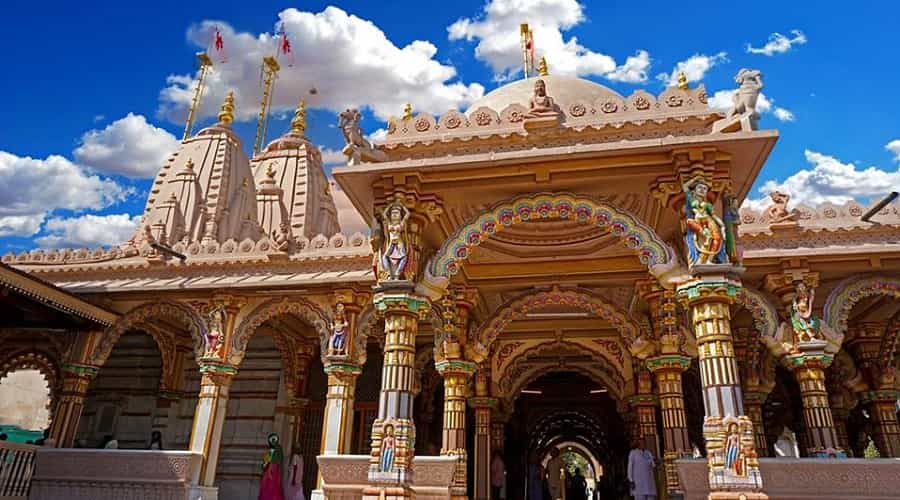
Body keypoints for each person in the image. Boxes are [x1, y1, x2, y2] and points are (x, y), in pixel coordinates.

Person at [259, 432, 285, 500]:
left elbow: (264, 464)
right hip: (275, 472)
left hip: (271, 473)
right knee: (275, 489)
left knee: (270, 490)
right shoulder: (279, 449)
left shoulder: (271, 450)